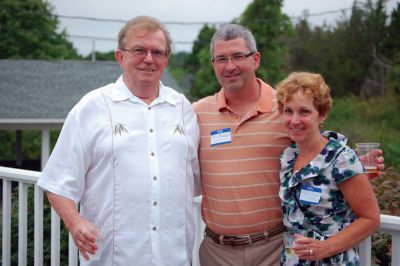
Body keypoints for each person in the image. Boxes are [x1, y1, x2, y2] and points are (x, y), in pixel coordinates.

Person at [192, 24, 384, 266]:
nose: (229, 66)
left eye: (238, 56)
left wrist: (354, 166)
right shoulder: (197, 114)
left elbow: (321, 150)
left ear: (255, 59)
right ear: (213, 64)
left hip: (273, 250)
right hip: (217, 253)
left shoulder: (283, 106)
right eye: (221, 58)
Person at [37, 16, 200, 266]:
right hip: (112, 258)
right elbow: (57, 182)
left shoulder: (182, 109)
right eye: (139, 50)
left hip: (174, 257)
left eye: (157, 52)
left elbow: (198, 181)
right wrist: (76, 222)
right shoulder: (91, 108)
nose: (148, 58)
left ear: (166, 59)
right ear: (119, 56)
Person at [276, 72, 380, 265]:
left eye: (304, 112)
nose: (294, 120)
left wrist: (325, 247)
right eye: (288, 111)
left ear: (322, 114)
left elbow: (370, 218)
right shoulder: (288, 157)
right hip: (293, 260)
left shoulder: (341, 158)